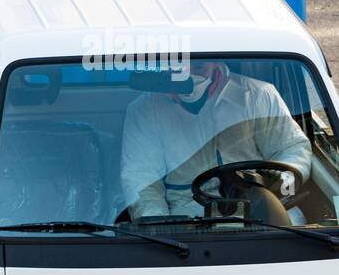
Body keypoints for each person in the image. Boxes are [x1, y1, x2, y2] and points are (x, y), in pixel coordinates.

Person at [120, 59, 312, 223]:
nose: (189, 76)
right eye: (180, 68)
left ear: (215, 62)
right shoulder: (144, 110)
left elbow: (291, 147)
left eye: (199, 67)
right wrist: (159, 226)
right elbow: (141, 179)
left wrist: (275, 186)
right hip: (187, 214)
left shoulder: (258, 95)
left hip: (259, 204)